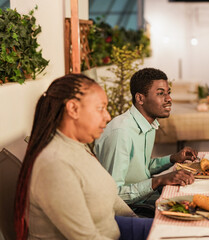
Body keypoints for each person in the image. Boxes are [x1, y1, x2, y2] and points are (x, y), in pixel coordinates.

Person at [14, 74, 152, 240]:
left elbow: (112, 199)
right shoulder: (54, 164)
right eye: (100, 108)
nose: (107, 117)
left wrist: (139, 225)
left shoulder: (79, 146)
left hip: (115, 229)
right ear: (73, 109)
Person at [94, 68, 197, 215]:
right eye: (161, 93)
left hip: (144, 201)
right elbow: (113, 195)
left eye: (168, 93)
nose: (169, 99)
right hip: (128, 212)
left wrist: (173, 158)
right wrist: (158, 181)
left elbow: (140, 168)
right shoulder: (121, 133)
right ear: (140, 98)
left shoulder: (147, 124)